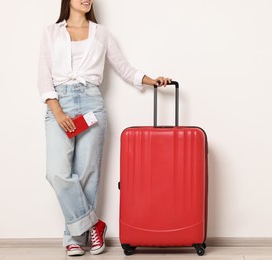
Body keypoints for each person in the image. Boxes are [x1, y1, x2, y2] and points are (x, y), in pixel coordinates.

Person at [37, 0, 171, 256]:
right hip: (59, 103)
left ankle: (75, 239)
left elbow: (123, 67)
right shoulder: (50, 33)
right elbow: (44, 76)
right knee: (56, 172)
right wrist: (57, 111)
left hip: (92, 103)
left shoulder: (102, 33)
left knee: (87, 173)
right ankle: (94, 224)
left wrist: (150, 80)